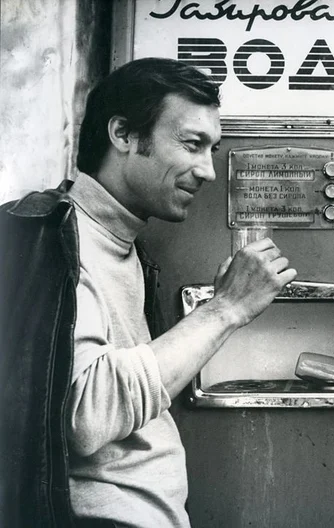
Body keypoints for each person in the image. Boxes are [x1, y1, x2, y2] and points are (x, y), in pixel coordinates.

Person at [0, 58, 296, 527]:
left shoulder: (123, 243)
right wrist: (224, 311)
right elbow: (86, 413)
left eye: (212, 149)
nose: (209, 171)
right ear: (122, 134)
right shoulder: (52, 237)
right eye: (192, 144)